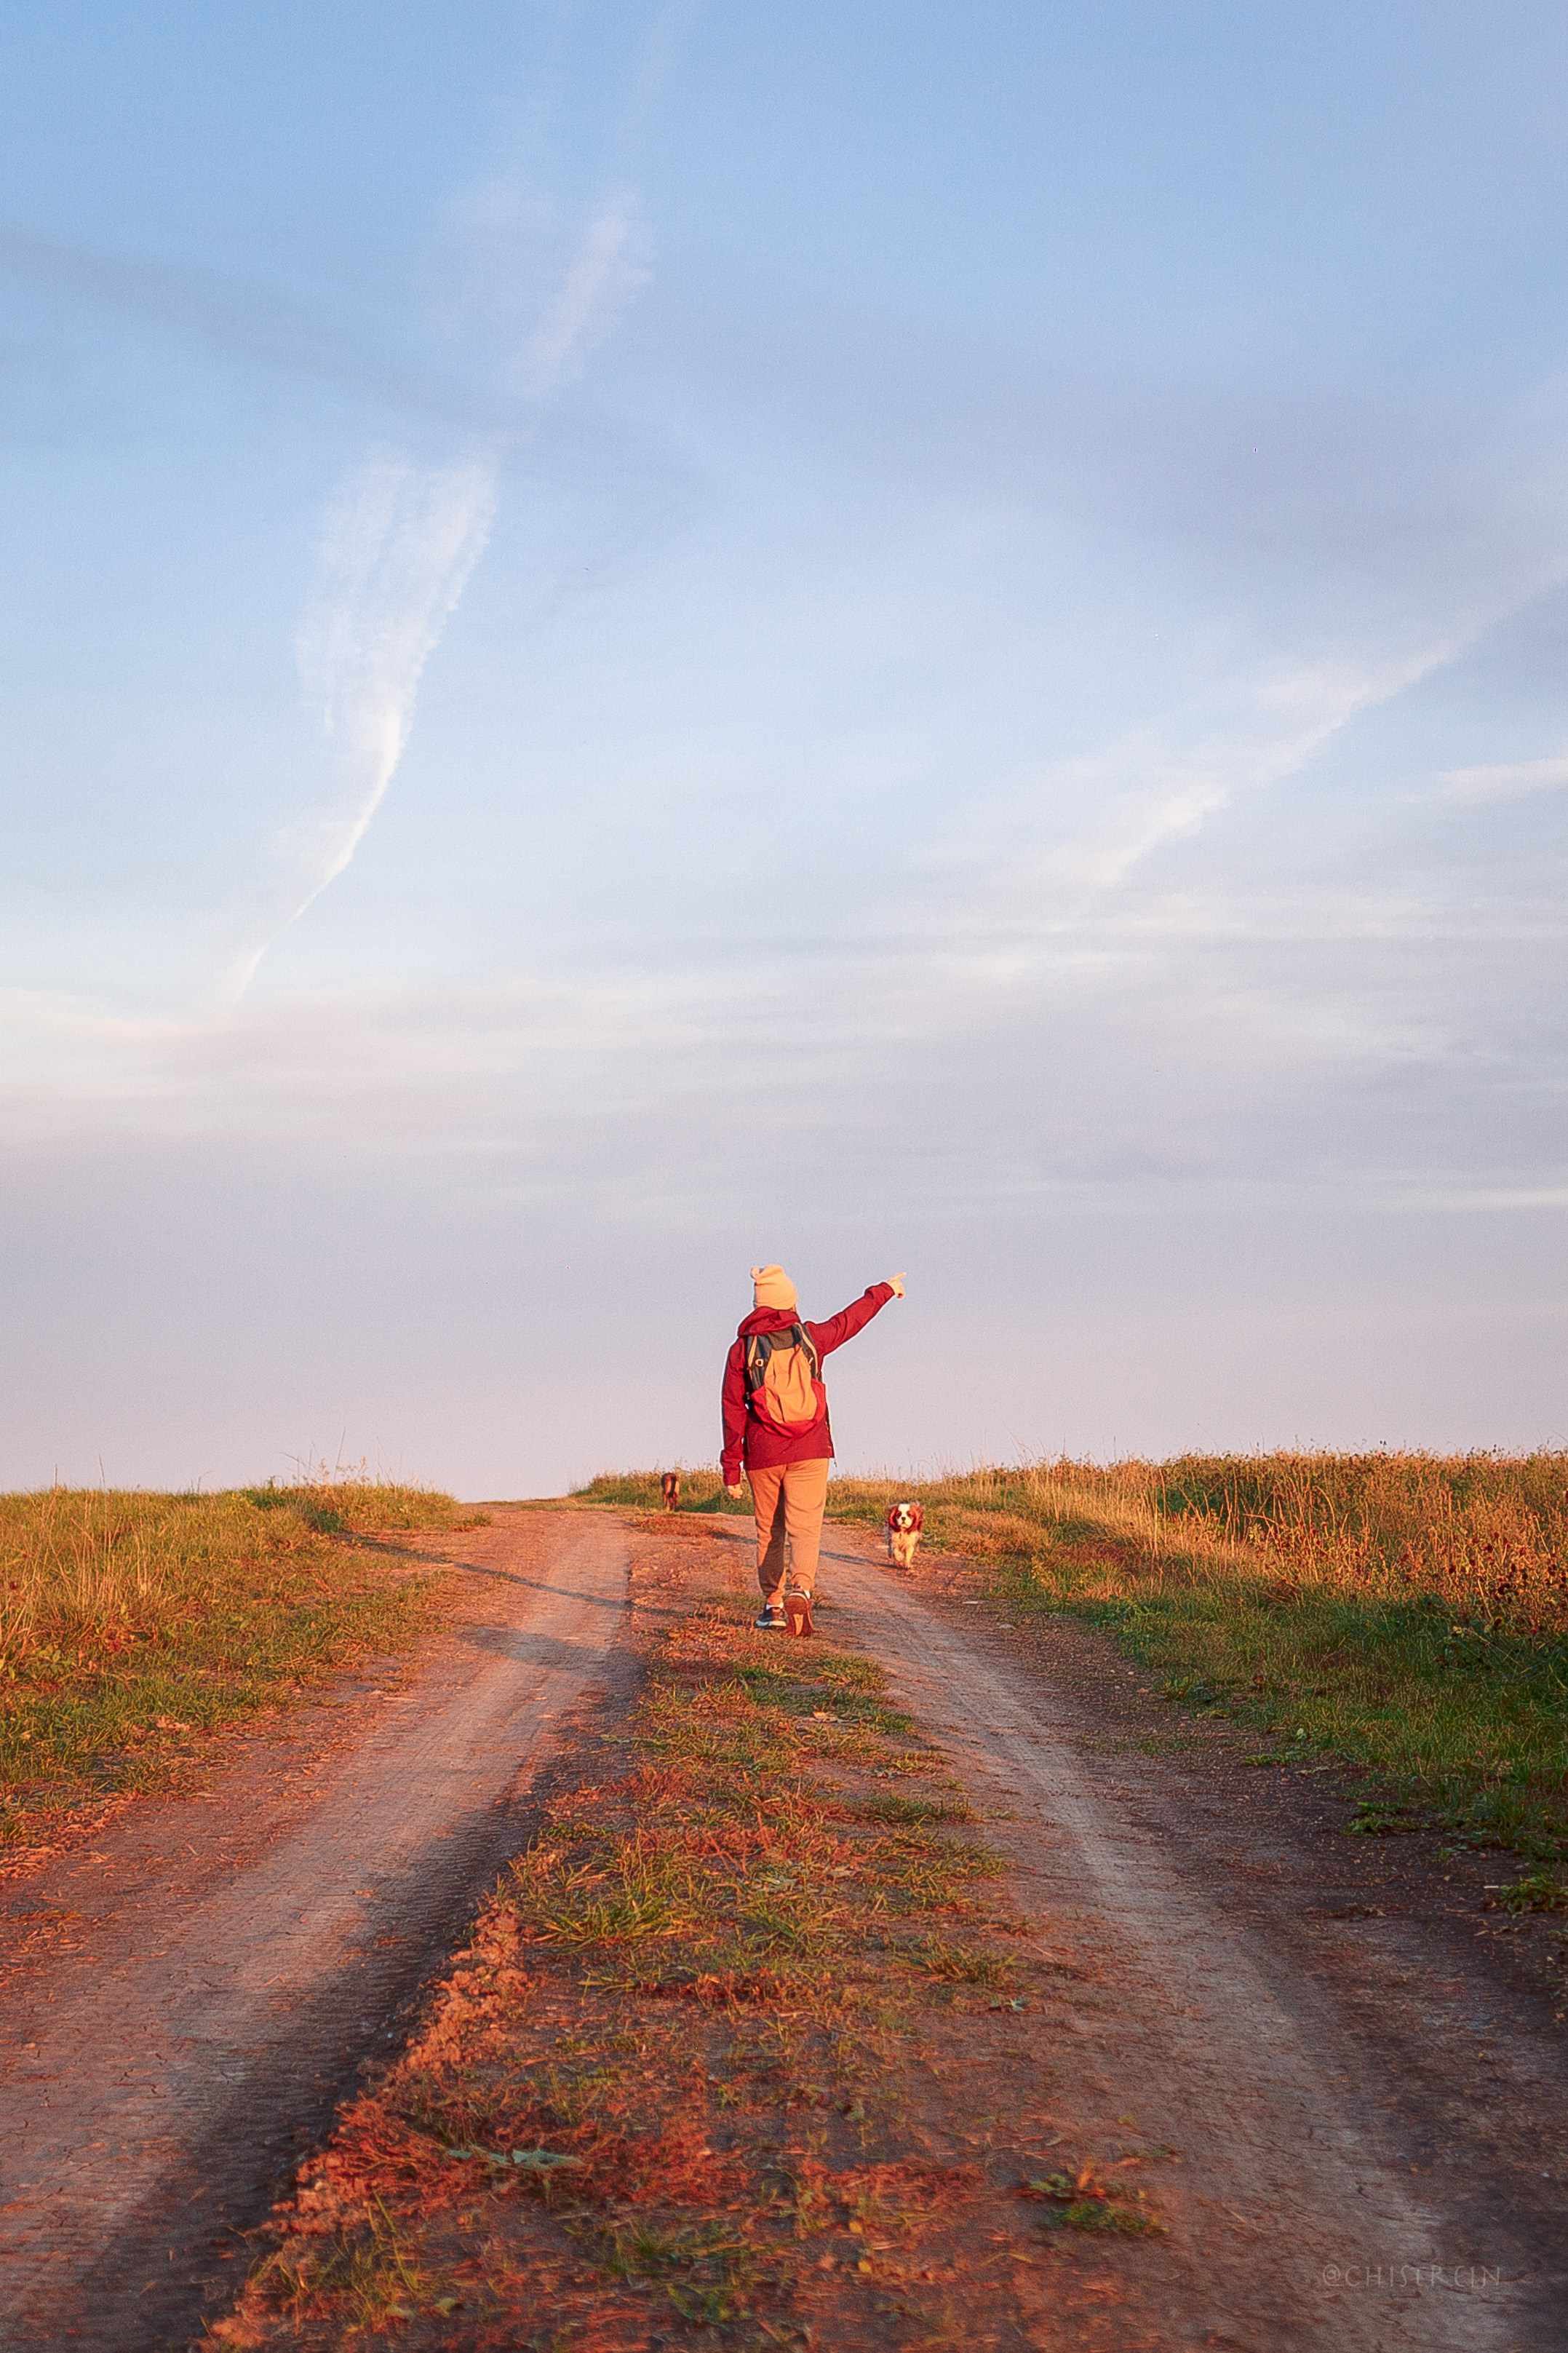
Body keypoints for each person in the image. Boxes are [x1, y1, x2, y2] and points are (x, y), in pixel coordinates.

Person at [721, 1264, 905, 1634]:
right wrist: (885, 1290)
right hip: (810, 1448)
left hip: (764, 1453)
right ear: (788, 1301)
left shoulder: (742, 1350)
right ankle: (801, 1590)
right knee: (805, 1528)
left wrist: (731, 1467)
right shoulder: (810, 1338)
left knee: (768, 1532)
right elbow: (850, 1321)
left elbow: (731, 1407)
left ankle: (773, 1606)